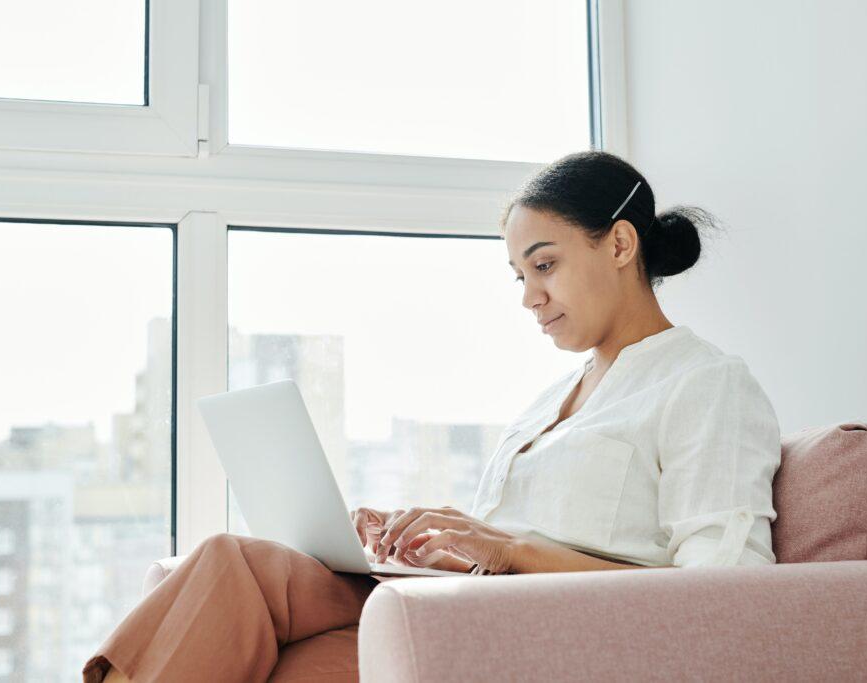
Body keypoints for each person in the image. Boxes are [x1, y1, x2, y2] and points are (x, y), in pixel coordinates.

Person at [82, 151, 781, 682]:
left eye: (545, 265)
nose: (530, 297)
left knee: (264, 613)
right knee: (245, 583)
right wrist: (424, 544)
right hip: (465, 615)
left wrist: (509, 552)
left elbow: (722, 600)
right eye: (520, 276)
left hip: (550, 645)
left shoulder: (705, 383)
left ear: (621, 245)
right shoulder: (552, 401)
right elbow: (498, 553)